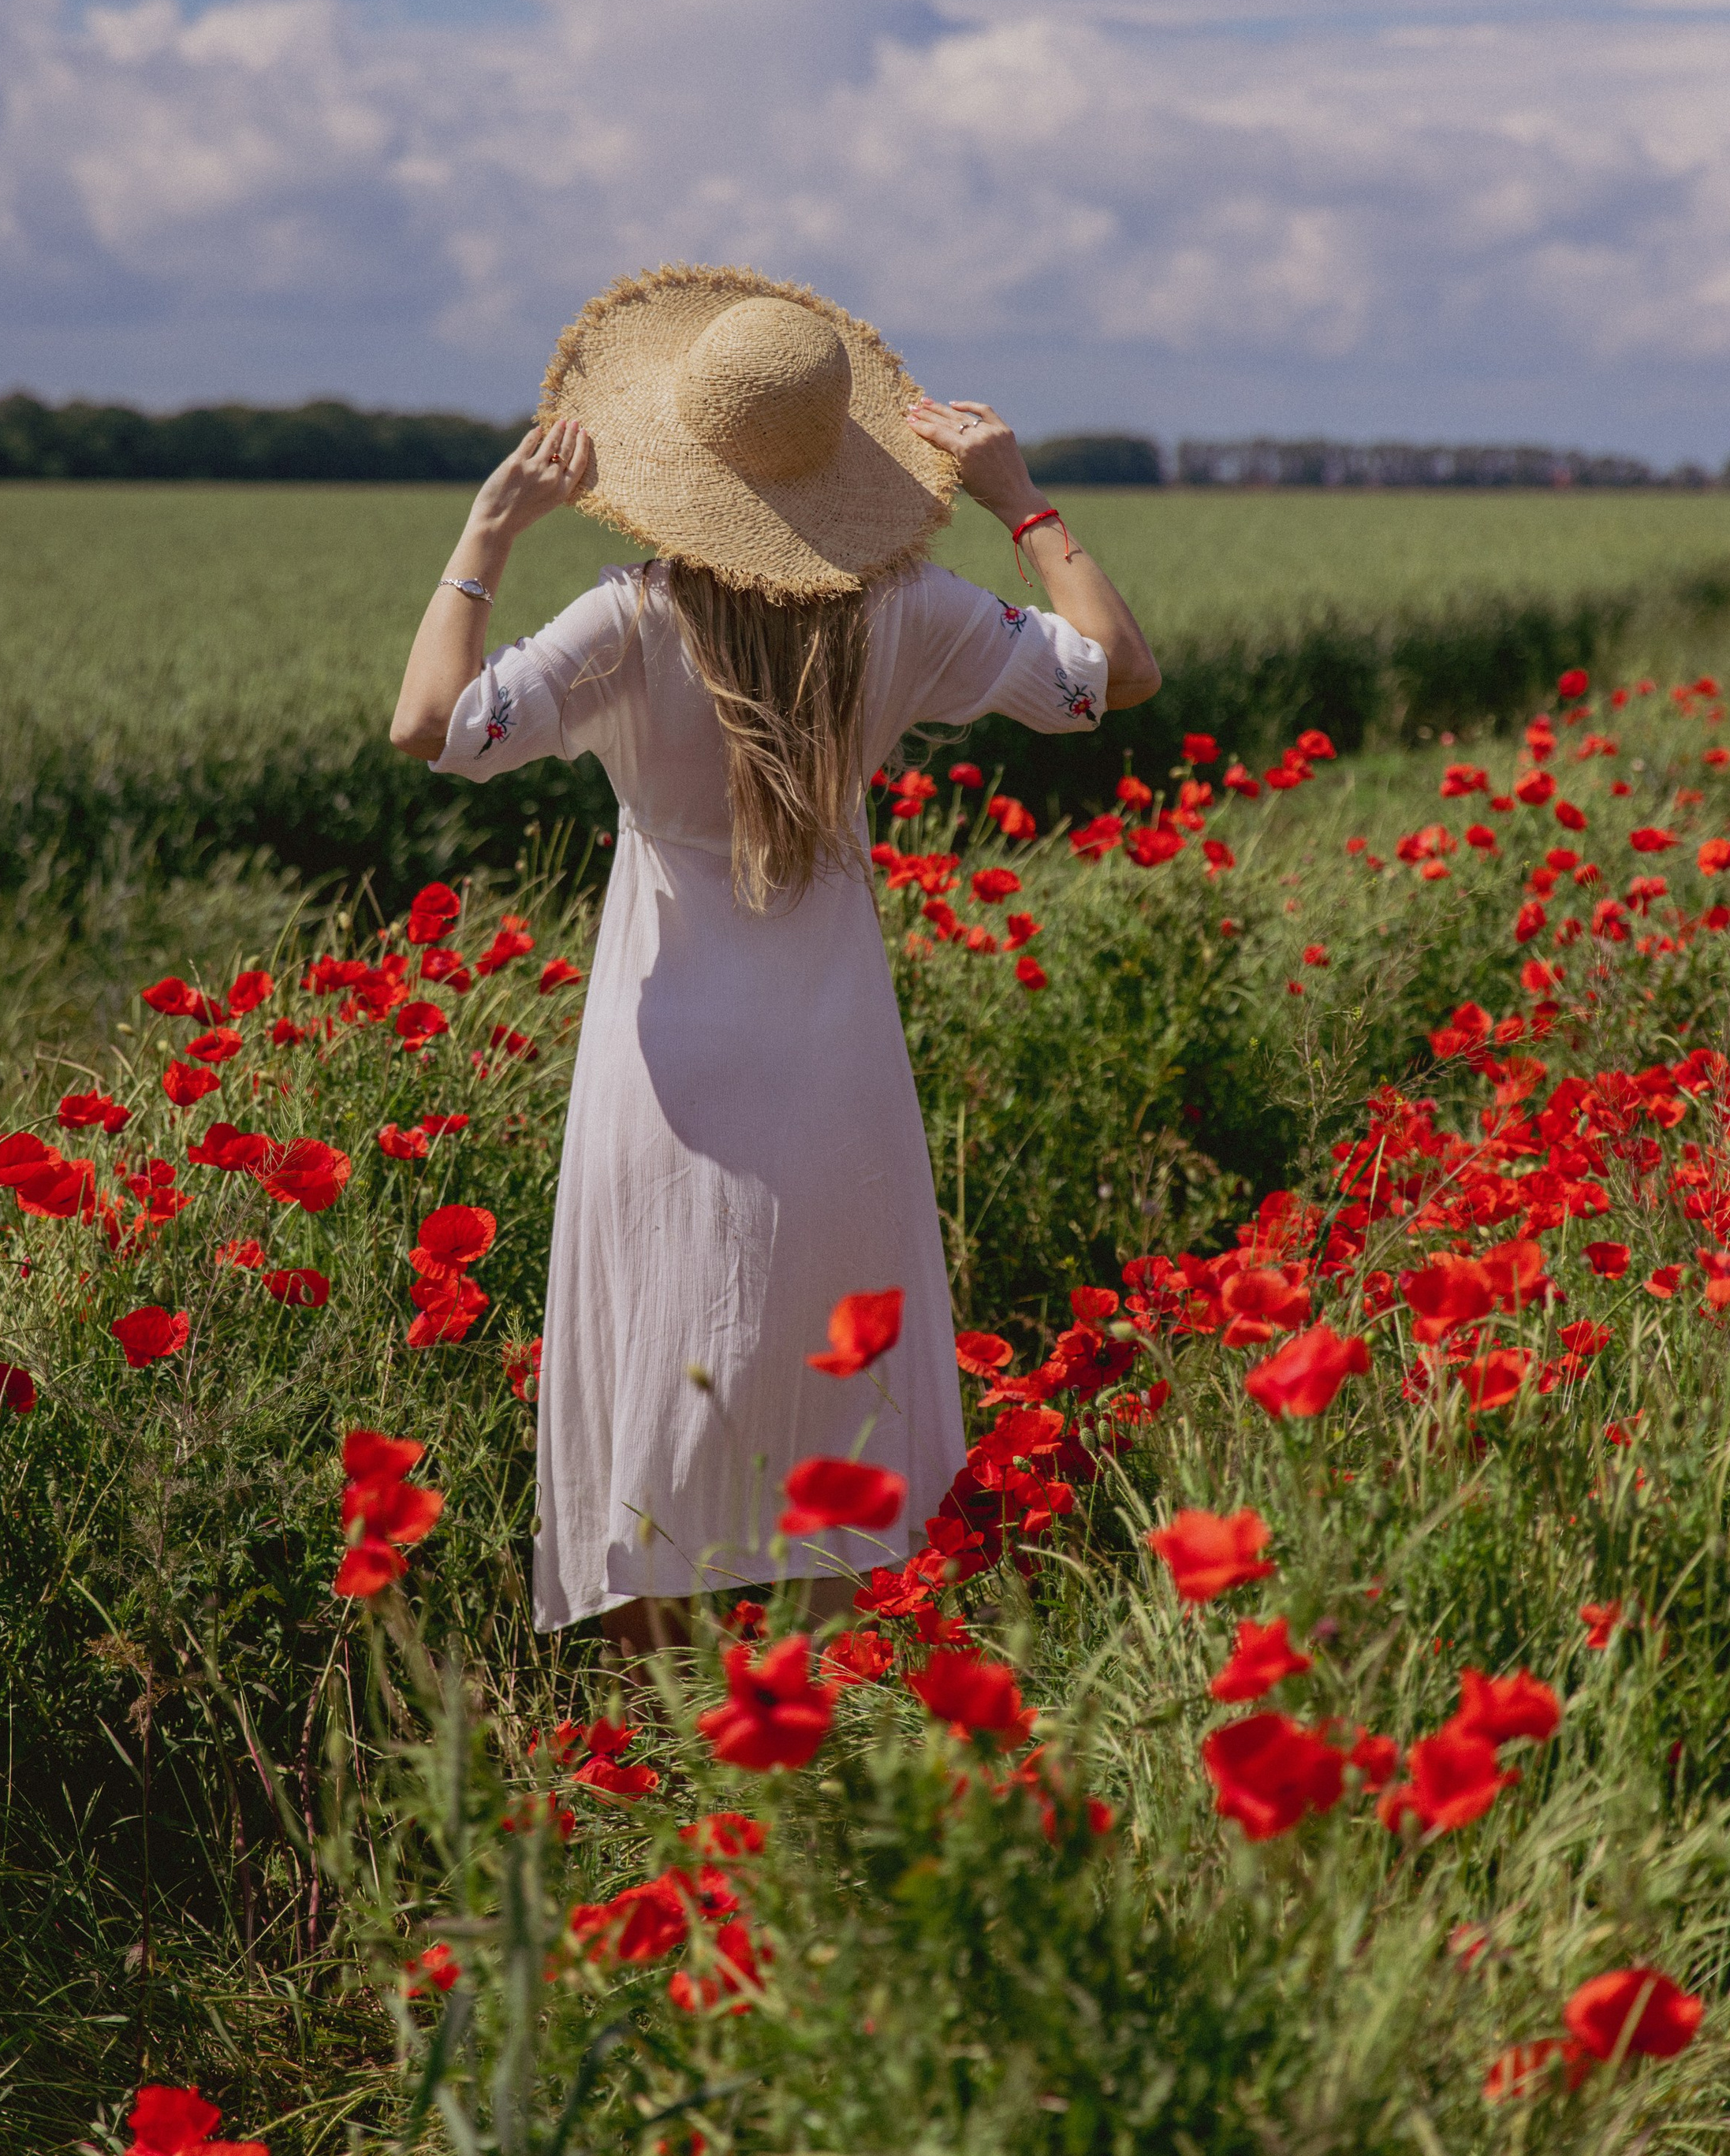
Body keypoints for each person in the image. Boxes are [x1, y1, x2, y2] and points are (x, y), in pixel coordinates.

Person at [390, 266, 1158, 1651]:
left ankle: (664, 1776)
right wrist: (1018, 497)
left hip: (661, 1073)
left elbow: (430, 728)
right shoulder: (907, 615)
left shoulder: (628, 620)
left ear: (682, 461)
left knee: (662, 1408)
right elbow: (1116, 671)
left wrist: (489, 533)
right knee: (833, 1398)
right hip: (835, 1071)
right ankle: (829, 1731)